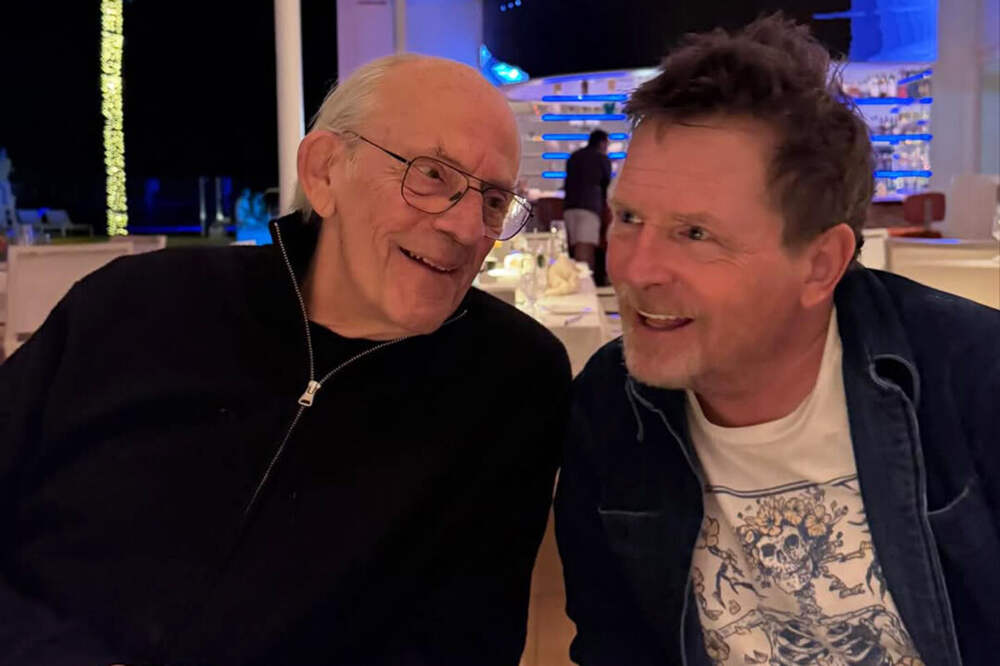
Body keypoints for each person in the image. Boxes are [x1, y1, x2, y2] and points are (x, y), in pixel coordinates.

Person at [0, 54, 571, 665]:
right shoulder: (136, 306)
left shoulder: (509, 381)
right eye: (431, 174)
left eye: (493, 201)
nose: (465, 227)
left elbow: (467, 640)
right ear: (324, 172)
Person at [555, 15, 998, 666]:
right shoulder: (609, 406)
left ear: (820, 264)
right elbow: (612, 646)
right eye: (629, 216)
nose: (635, 269)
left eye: (696, 234)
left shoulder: (971, 380)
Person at [562, 129, 611, 272]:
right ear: (602, 143)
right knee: (585, 249)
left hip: (569, 208)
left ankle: (573, 279)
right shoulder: (601, 158)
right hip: (589, 207)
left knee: (573, 248)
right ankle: (584, 282)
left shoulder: (574, 156)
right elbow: (606, 185)